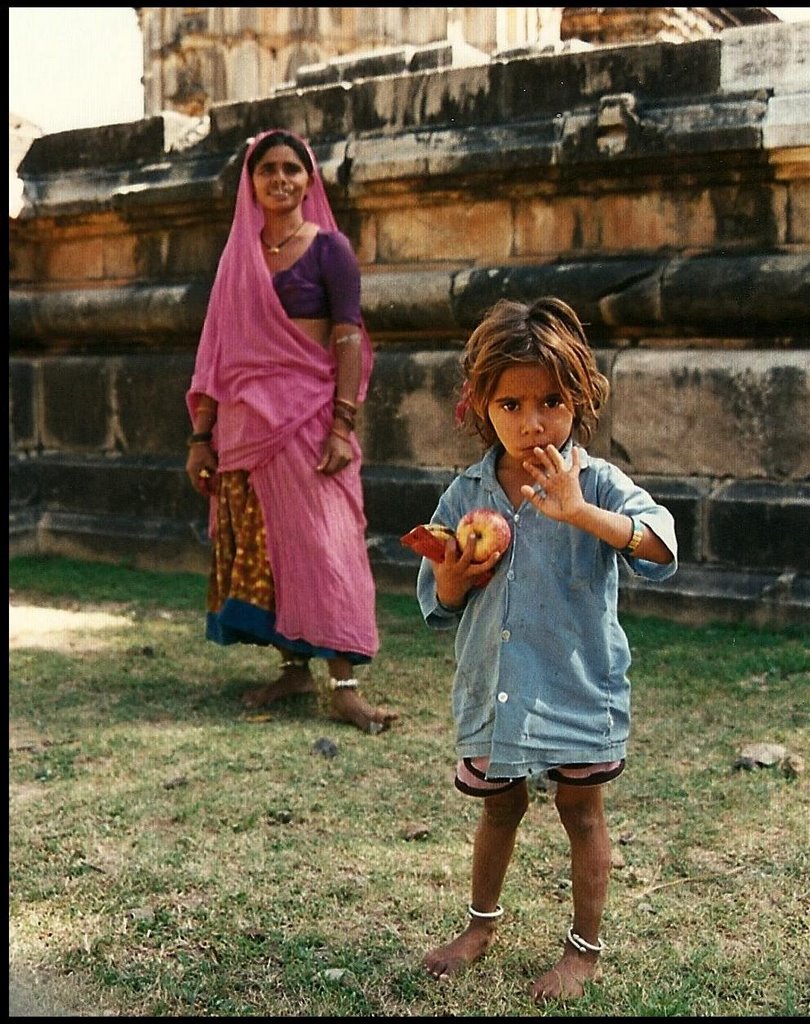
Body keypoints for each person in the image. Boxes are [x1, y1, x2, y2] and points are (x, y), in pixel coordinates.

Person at [416, 296, 678, 1001]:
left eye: (551, 401)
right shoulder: (465, 493)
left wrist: (582, 513)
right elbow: (435, 601)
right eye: (510, 403)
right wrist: (449, 575)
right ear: (479, 405)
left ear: (581, 398)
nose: (532, 421)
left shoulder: (593, 481)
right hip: (494, 688)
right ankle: (479, 925)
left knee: (580, 812)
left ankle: (584, 949)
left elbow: (659, 545)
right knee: (497, 809)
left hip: (576, 686)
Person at [185, 128, 397, 735]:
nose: (280, 179)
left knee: (328, 545)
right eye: (267, 169)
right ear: (251, 183)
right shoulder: (239, 258)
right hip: (243, 427)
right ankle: (294, 666)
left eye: (292, 169)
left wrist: (342, 425)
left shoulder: (331, 250)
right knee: (269, 550)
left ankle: (346, 685)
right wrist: (202, 435)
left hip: (310, 420)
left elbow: (350, 338)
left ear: (309, 179)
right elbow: (217, 352)